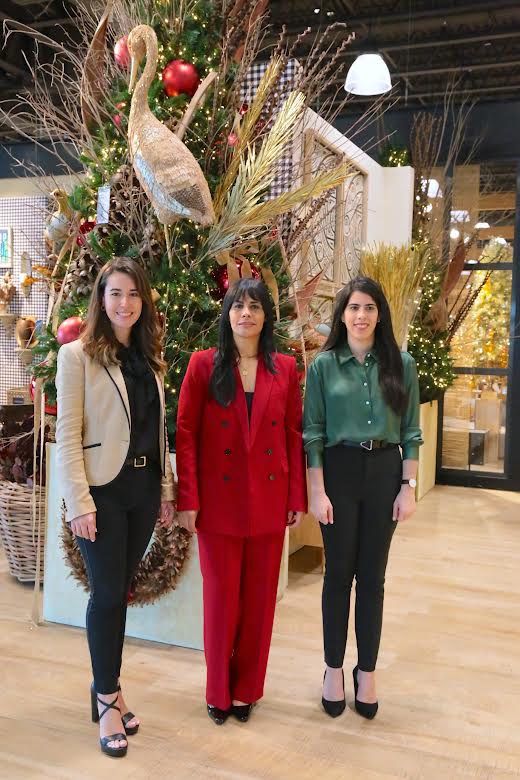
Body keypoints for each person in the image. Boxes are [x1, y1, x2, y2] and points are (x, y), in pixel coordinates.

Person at [55, 257, 175, 757]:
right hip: (101, 495)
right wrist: (79, 502)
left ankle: (110, 684)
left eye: (133, 295)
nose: (124, 304)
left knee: (119, 592)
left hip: (143, 491)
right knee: (106, 595)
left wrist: (166, 491)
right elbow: (67, 435)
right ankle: (106, 698)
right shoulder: (77, 355)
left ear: (143, 301)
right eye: (115, 294)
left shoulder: (150, 356)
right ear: (101, 299)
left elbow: (158, 430)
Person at [175, 278, 307, 725]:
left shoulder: (286, 369)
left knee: (259, 604)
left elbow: (292, 435)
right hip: (218, 505)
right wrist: (187, 499)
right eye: (237, 306)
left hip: (269, 501)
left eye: (254, 306)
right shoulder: (202, 365)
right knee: (220, 602)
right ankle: (217, 692)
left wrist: (296, 496)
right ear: (227, 314)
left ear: (266, 316)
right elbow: (187, 436)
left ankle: (247, 689)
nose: (245, 313)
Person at [303, 276, 422, 720]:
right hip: (339, 472)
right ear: (342, 315)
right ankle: (333, 669)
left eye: (369, 308)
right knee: (337, 575)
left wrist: (407, 488)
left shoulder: (401, 363)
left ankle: (366, 671)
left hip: (385, 473)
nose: (361, 316)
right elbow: (313, 433)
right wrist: (317, 491)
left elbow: (411, 430)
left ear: (380, 315)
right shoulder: (323, 366)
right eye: (353, 308)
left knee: (372, 578)